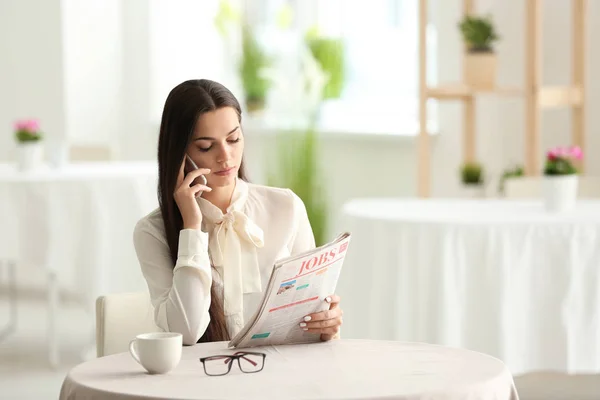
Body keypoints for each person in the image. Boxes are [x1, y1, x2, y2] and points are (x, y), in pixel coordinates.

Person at [133, 79, 343, 345]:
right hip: (199, 381)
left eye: (233, 139)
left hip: (279, 378)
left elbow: (308, 318)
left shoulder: (286, 208)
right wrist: (192, 226)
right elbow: (185, 332)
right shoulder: (152, 232)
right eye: (206, 147)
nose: (226, 156)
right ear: (180, 153)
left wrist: (326, 326)